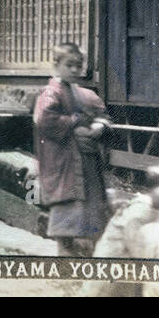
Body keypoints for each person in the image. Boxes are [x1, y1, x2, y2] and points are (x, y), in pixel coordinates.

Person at [34, 41, 112, 256]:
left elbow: (103, 114)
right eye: (70, 65)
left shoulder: (86, 94)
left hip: (87, 159)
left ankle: (89, 250)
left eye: (79, 65)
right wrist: (75, 120)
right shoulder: (51, 93)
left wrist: (100, 124)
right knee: (68, 204)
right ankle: (65, 252)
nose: (76, 70)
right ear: (56, 65)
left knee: (92, 204)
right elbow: (45, 120)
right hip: (64, 160)